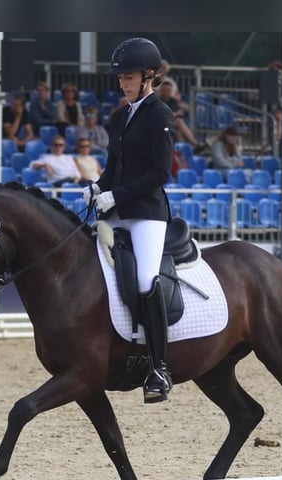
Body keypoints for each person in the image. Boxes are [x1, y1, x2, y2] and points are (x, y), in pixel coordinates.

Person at [86, 37, 175, 404]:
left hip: (147, 216)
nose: (123, 83)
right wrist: (97, 186)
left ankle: (159, 367)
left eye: (130, 76)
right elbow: (114, 168)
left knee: (144, 280)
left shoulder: (160, 115)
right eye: (121, 77)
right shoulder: (119, 116)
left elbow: (160, 173)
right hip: (118, 212)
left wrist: (116, 195)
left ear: (148, 76)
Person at [157, 78, 204, 152]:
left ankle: (180, 155)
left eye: (168, 90)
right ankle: (195, 144)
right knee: (179, 122)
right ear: (160, 91)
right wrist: (174, 114)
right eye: (164, 90)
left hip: (169, 126)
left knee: (179, 132)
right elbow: (163, 115)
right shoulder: (157, 101)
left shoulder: (173, 101)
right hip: (159, 126)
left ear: (171, 92)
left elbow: (180, 113)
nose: (165, 92)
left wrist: (173, 114)